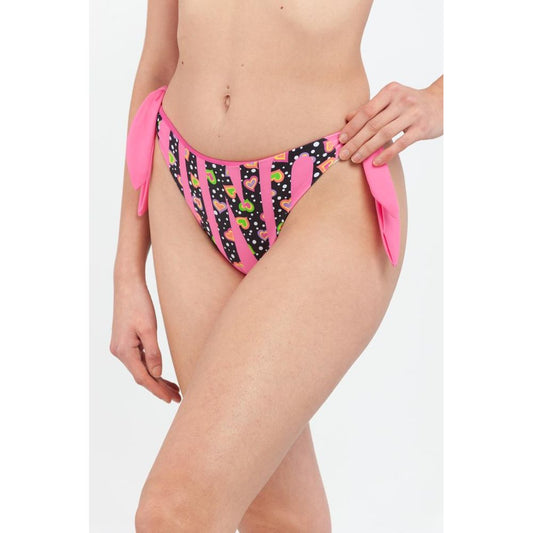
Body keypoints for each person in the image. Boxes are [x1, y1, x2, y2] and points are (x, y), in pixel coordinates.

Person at [110, 0, 443, 530]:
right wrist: (127, 271)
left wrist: (440, 100)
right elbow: (158, 61)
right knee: (279, 517)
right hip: (184, 185)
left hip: (326, 182)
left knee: (175, 511)